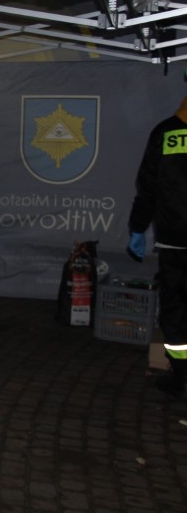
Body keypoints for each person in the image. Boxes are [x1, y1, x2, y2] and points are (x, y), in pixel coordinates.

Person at [127, 96, 187, 399]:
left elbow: (147, 188)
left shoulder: (166, 133)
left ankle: (182, 378)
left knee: (176, 311)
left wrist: (137, 228)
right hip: (174, 241)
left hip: (175, 241)